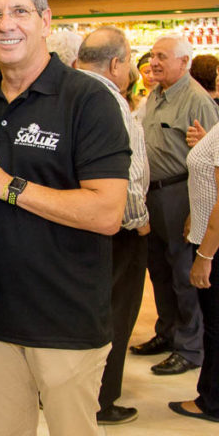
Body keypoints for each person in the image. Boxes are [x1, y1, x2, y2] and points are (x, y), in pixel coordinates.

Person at [0, 0, 130, 436]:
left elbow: (108, 212)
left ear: (45, 20)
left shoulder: (87, 99)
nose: (6, 24)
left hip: (67, 322)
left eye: (20, 11)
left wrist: (6, 185)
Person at [131, 33, 219, 375]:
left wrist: (197, 213)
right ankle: (166, 333)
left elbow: (213, 164)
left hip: (180, 194)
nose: (153, 62)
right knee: (159, 270)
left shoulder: (197, 100)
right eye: (152, 55)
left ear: (184, 62)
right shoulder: (155, 94)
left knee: (184, 273)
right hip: (152, 194)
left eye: (162, 57)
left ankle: (190, 347)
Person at [76, 26, 150, 425]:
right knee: (116, 312)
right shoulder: (110, 101)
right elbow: (129, 173)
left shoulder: (69, 93)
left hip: (76, 221)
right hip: (116, 229)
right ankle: (102, 399)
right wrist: (140, 222)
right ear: (117, 63)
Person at [168, 119, 219, 424]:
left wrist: (205, 255)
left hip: (214, 245)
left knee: (215, 326)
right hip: (208, 237)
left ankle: (212, 402)